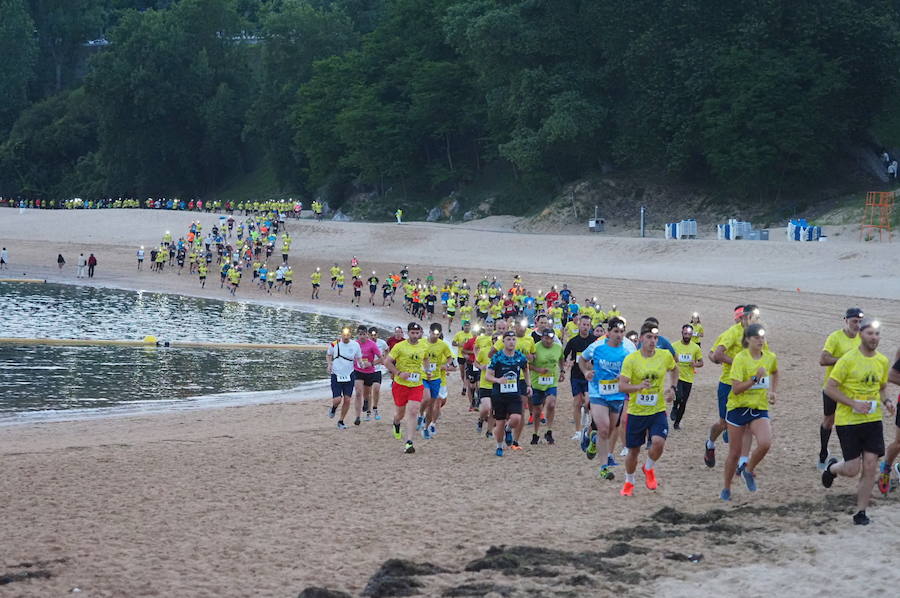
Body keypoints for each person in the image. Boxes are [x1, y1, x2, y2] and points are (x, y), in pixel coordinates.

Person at [822, 318, 893, 525]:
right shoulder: (848, 359)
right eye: (870, 333)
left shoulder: (881, 360)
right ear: (861, 335)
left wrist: (887, 400)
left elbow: (881, 386)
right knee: (852, 469)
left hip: (873, 419)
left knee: (871, 465)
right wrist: (852, 403)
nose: (874, 338)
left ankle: (861, 512)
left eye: (877, 334)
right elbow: (830, 388)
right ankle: (832, 468)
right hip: (849, 421)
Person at [618, 322, 677, 496]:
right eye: (649, 337)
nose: (652, 341)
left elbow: (675, 370)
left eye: (655, 338)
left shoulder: (665, 355)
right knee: (633, 452)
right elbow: (622, 386)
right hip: (636, 412)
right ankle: (629, 482)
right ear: (641, 338)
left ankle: (648, 468)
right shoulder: (631, 359)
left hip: (657, 410)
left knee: (659, 442)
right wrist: (637, 387)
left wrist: (672, 388)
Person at [721, 324, 778, 501]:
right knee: (734, 453)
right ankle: (726, 488)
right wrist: (754, 378)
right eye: (757, 338)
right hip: (738, 408)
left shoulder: (769, 357)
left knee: (765, 443)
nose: (761, 340)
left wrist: (773, 391)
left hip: (758, 408)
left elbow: (775, 372)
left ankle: (748, 469)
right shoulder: (740, 358)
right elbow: (736, 389)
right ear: (748, 340)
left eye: (763, 337)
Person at [704, 305, 761, 469]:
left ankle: (741, 461)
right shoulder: (732, 333)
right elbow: (716, 354)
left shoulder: (758, 335)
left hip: (747, 386)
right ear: (743, 317)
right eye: (752, 317)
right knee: (723, 424)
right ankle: (710, 444)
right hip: (728, 384)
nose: (755, 320)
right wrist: (738, 364)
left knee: (746, 424)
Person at [579, 317, 633, 480]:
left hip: (617, 394)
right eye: (616, 331)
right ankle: (603, 467)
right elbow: (582, 359)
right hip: (598, 392)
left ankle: (594, 440)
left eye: (622, 332)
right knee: (603, 428)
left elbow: (634, 369)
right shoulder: (597, 346)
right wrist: (586, 372)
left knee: (608, 432)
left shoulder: (629, 349)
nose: (619, 335)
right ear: (608, 332)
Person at [817, 308, 863, 471]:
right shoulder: (835, 337)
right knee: (829, 421)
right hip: (832, 388)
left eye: (859, 322)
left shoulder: (862, 338)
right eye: (854, 321)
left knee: (853, 421)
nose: (857, 325)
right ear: (846, 320)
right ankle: (823, 453)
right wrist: (844, 361)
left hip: (853, 390)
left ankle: (851, 456)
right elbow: (823, 360)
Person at [383, 322, 430, 454]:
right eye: (412, 333)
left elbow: (425, 359)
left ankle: (409, 442)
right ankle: (396, 423)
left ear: (420, 333)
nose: (415, 336)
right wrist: (398, 373)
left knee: (414, 411)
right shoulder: (399, 346)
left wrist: (427, 370)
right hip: (400, 384)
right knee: (400, 414)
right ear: (408, 333)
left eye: (417, 333)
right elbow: (387, 362)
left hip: (417, 384)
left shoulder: (424, 345)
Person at [486, 330, 531, 456]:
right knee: (499, 423)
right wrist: (498, 380)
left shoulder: (520, 357)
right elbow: (488, 376)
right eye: (508, 340)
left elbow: (526, 370)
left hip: (514, 393)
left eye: (513, 340)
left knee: (517, 418)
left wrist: (528, 385)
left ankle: (509, 428)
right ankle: (499, 446)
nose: (511, 342)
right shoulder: (497, 357)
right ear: (503, 342)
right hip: (498, 395)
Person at [420, 323, 455, 439]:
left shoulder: (443, 345)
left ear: (440, 334)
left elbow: (451, 358)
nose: (435, 335)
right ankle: (420, 415)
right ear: (429, 332)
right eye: (433, 333)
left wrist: (446, 365)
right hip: (423, 376)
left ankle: (427, 427)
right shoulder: (422, 343)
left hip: (437, 378)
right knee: (426, 398)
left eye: (437, 333)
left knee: (433, 406)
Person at [564, 315, 597, 439]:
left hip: (590, 376)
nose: (585, 327)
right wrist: (567, 363)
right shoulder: (573, 341)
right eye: (583, 324)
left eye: (588, 325)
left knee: (588, 402)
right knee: (577, 402)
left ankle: (588, 420)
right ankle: (578, 431)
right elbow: (564, 355)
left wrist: (592, 364)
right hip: (576, 375)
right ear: (579, 325)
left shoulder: (595, 341)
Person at [530, 328, 564, 445]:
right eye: (546, 338)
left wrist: (562, 371)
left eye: (551, 338)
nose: (548, 341)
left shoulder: (558, 347)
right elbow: (528, 365)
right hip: (537, 382)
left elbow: (561, 358)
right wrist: (538, 369)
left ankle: (549, 431)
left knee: (551, 403)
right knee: (537, 411)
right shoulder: (535, 347)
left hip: (551, 381)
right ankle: (535, 433)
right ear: (541, 338)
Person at [325, 327, 362, 430]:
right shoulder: (334, 344)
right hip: (336, 374)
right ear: (341, 334)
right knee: (337, 399)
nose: (346, 337)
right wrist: (329, 364)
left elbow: (358, 357)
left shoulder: (355, 345)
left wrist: (361, 363)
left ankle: (341, 421)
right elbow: (328, 355)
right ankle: (333, 408)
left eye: (348, 335)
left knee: (347, 399)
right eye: (344, 335)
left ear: (351, 335)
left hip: (349, 374)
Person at [671, 324, 704, 430]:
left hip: (689, 378)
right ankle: (674, 407)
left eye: (689, 334)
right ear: (682, 333)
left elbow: (701, 362)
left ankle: (677, 423)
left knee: (684, 402)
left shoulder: (695, 347)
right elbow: (668, 359)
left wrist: (695, 364)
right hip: (678, 376)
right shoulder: (674, 346)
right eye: (685, 333)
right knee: (679, 396)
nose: (687, 336)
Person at [353, 325, 382, 424]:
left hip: (369, 372)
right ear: (357, 335)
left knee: (367, 394)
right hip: (357, 371)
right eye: (360, 334)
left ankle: (366, 402)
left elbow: (381, 358)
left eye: (364, 334)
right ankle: (357, 417)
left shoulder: (372, 345)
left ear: (367, 335)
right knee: (357, 393)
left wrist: (371, 363)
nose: (362, 336)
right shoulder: (354, 344)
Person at [368, 327, 389, 420]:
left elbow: (387, 349)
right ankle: (368, 411)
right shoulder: (365, 342)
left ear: (377, 334)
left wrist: (385, 358)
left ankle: (375, 408)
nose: (373, 337)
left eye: (375, 335)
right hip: (367, 370)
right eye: (371, 335)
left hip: (377, 369)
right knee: (368, 392)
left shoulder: (382, 343)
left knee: (376, 389)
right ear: (368, 335)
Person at [452, 321, 474, 399]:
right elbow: (453, 343)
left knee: (466, 371)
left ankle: (465, 387)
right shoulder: (459, 334)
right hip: (460, 355)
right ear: (463, 326)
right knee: (462, 373)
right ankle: (465, 383)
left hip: (469, 356)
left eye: (468, 326)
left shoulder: (472, 335)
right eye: (465, 326)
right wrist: (459, 344)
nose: (467, 327)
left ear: (470, 327)